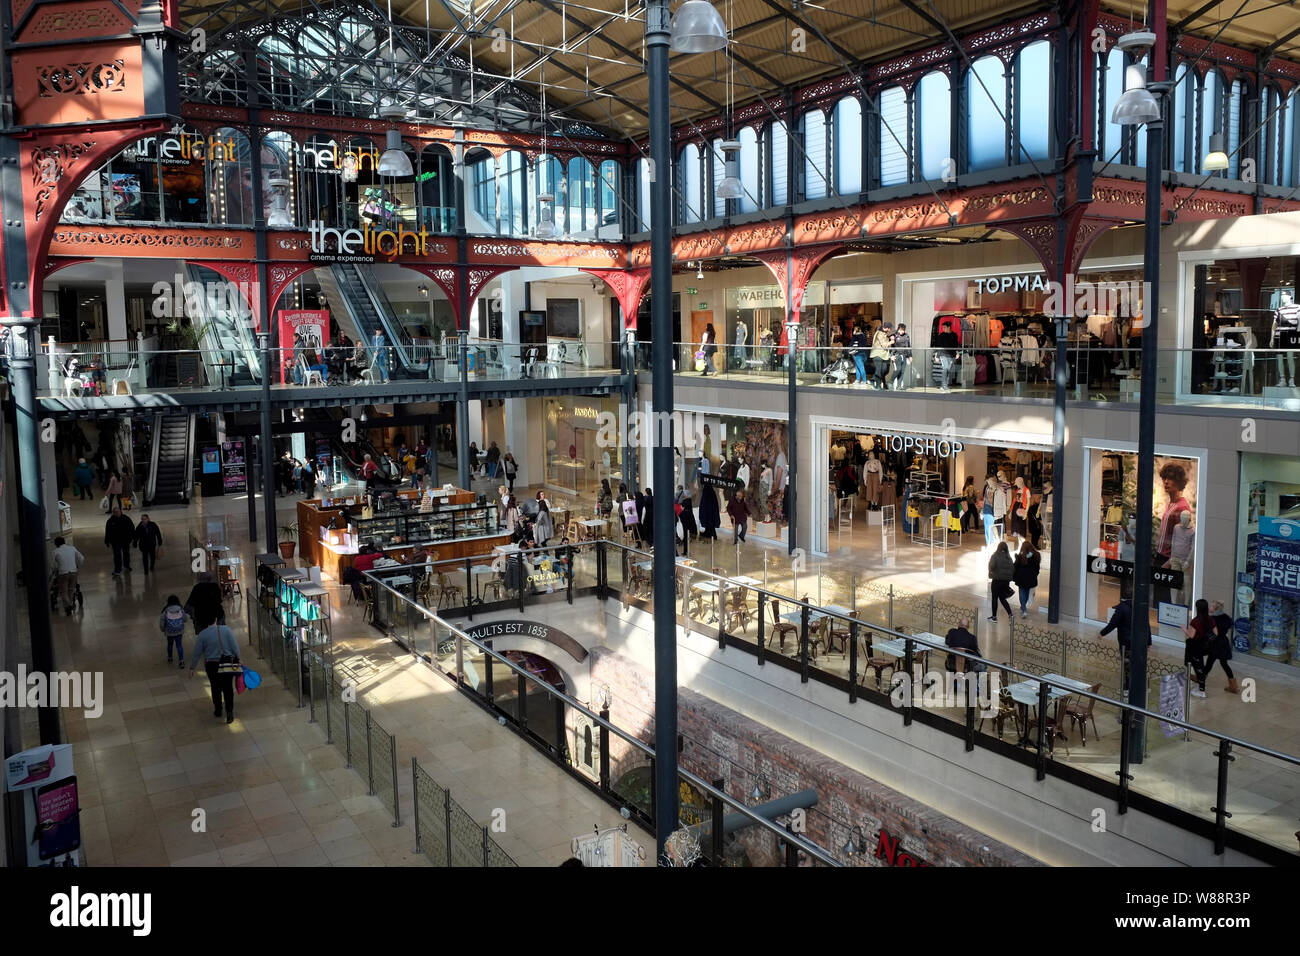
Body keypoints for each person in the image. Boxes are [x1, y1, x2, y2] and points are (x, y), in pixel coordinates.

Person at [189, 610, 241, 723]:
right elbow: (235, 647)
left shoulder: (202, 635)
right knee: (228, 688)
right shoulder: (226, 630)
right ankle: (229, 712)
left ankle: (218, 709)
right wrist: (238, 658)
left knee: (215, 687)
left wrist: (192, 668)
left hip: (211, 665)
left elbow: (197, 653)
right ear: (216, 619)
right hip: (227, 663)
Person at [1182, 598, 1212, 698]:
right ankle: (1200, 686)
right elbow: (1214, 632)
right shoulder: (1209, 619)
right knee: (1199, 666)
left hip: (1194, 647)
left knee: (1198, 667)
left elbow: (1191, 635)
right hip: (1203, 646)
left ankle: (1201, 690)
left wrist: (1184, 629)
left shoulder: (1196, 621)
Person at [1207, 599, 1239, 693]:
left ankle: (1200, 679)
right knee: (1223, 663)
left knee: (1210, 662)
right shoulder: (1226, 618)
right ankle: (1233, 686)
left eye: (1211, 606)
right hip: (1223, 643)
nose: (1209, 607)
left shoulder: (1212, 619)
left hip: (1215, 643)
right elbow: (1229, 626)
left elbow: (1211, 633)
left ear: (1215, 609)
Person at [51, 536, 84, 616]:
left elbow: (52, 565)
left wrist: (55, 570)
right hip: (73, 572)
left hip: (63, 573)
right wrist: (77, 566)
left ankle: (68, 606)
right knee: (71, 589)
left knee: (63, 591)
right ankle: (70, 604)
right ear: (64, 542)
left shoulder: (55, 551)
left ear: (56, 544)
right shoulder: (72, 548)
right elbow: (81, 558)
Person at [987, 540, 1014, 622]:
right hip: (1005, 582)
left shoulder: (995, 555)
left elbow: (991, 565)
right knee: (1002, 598)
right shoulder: (1009, 557)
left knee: (994, 598)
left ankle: (994, 617)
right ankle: (1010, 614)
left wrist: (991, 572)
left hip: (997, 580)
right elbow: (1013, 569)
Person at [104, 505, 135, 576]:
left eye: (118, 512)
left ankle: (126, 565)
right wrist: (107, 541)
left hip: (125, 540)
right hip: (115, 542)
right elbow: (107, 531)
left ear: (120, 511)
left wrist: (133, 538)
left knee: (126, 553)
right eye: (115, 512)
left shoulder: (126, 519)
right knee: (117, 555)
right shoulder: (110, 521)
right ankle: (117, 569)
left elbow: (132, 528)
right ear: (113, 513)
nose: (116, 513)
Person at [1013, 540, 1041, 618]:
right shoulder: (1036, 556)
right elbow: (1037, 568)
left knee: (1022, 593)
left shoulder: (1021, 556)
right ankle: (1023, 607)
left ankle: (1024, 610)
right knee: (1027, 593)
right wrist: (1035, 575)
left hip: (1021, 579)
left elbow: (1015, 567)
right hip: (1031, 579)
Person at [160, 594, 187, 667]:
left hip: (169, 631)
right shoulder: (180, 608)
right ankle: (181, 661)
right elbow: (185, 619)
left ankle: (170, 658)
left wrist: (163, 629)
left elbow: (162, 621)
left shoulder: (166, 610)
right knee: (179, 645)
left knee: (170, 644)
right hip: (179, 631)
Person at [934, 321, 960, 392]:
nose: (943, 329)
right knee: (945, 368)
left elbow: (955, 345)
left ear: (949, 327)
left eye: (945, 327)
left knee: (948, 369)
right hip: (943, 354)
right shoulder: (941, 335)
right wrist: (937, 355)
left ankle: (944, 385)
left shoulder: (954, 335)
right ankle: (944, 385)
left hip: (951, 355)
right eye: (943, 327)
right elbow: (938, 346)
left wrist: (957, 353)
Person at [869, 321, 894, 389]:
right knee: (879, 370)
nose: (890, 330)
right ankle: (878, 385)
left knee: (885, 370)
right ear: (887, 328)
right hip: (877, 354)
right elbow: (884, 345)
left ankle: (873, 379)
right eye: (890, 328)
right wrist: (891, 342)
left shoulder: (884, 333)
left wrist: (890, 337)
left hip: (884, 355)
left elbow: (885, 339)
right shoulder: (879, 333)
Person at [889, 323, 912, 391]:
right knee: (897, 369)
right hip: (896, 355)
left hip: (904, 355)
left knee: (902, 371)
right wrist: (891, 356)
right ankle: (890, 382)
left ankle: (899, 386)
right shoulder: (894, 335)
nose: (902, 331)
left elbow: (908, 346)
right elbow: (890, 346)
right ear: (898, 329)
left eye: (903, 330)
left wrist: (910, 355)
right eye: (901, 330)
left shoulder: (906, 336)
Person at [849, 322, 869, 386]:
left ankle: (864, 380)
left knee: (860, 367)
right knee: (858, 366)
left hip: (857, 353)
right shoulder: (863, 336)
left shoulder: (855, 336)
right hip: (864, 353)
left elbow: (851, 344)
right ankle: (857, 379)